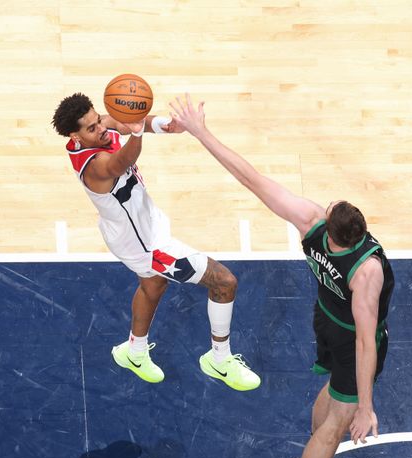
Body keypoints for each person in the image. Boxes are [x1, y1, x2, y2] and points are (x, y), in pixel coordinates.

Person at [168, 94, 395, 458]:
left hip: (326, 321)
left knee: (332, 394)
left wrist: (200, 132)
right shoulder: (366, 272)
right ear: (360, 233)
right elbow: (367, 341)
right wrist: (367, 406)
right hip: (350, 337)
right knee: (341, 418)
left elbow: (251, 178)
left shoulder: (310, 222)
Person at [51, 93, 260, 392]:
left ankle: (134, 353)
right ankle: (220, 359)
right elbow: (122, 161)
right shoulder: (94, 166)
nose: (100, 128)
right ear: (75, 136)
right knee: (225, 282)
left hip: (134, 229)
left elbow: (126, 121)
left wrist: (166, 125)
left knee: (153, 286)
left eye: (98, 121)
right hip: (148, 246)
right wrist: (137, 135)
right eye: (92, 128)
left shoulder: (94, 131)